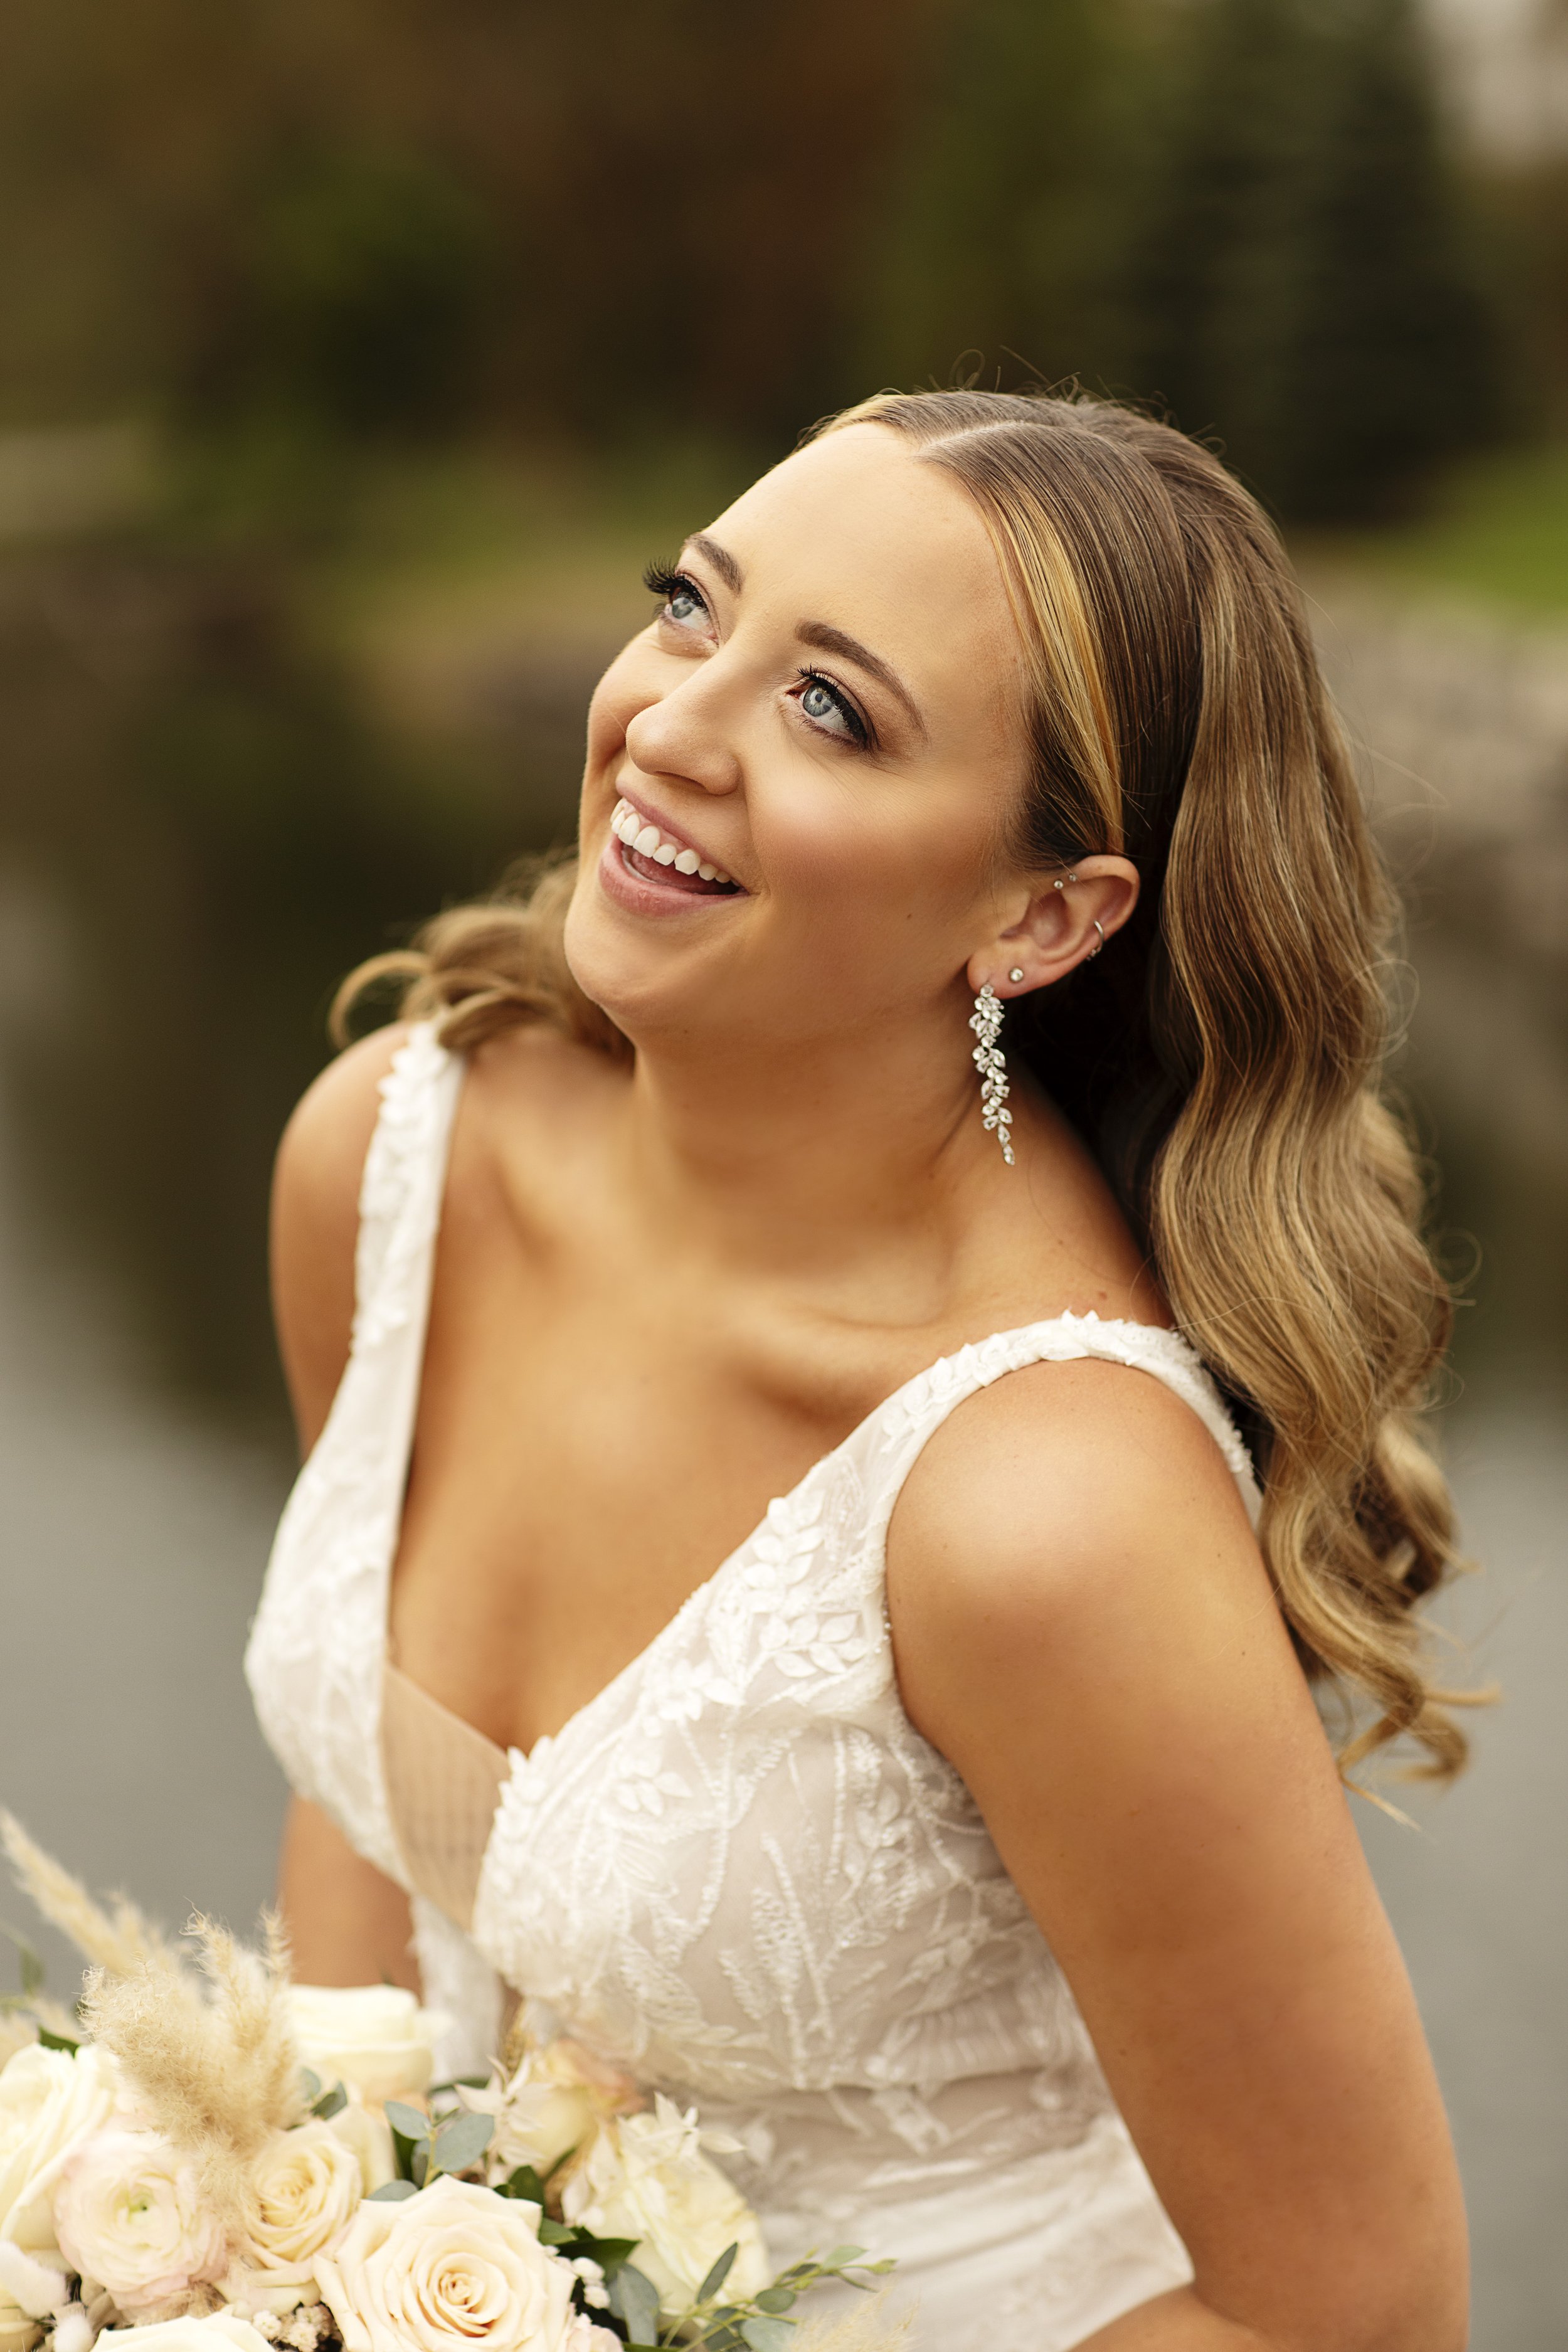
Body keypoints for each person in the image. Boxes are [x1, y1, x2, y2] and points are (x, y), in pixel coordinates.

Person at [246, 389, 1471, 2351]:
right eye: (689, 606)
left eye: (830, 708)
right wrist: (285, 2262)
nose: (669, 725)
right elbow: (375, 1829)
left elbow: (1355, 2323)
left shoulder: (1038, 1509)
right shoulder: (395, 1162)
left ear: (1039, 915)